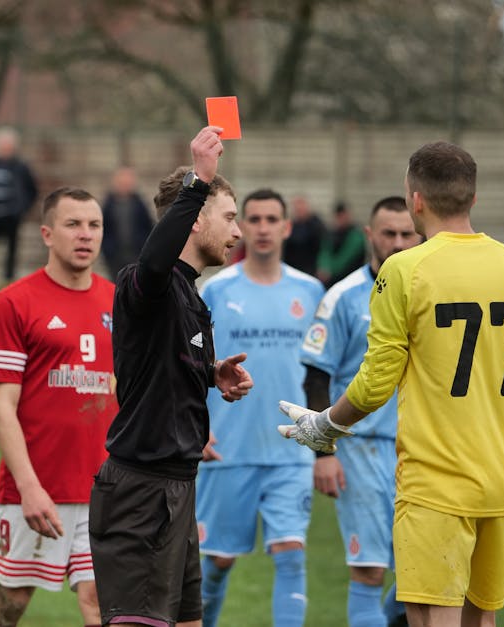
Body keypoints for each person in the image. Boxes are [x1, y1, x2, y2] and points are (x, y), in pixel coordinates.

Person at [277, 141, 504, 627]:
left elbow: (374, 384)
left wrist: (323, 426)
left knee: (433, 618)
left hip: (436, 482)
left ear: (414, 201)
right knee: (482, 618)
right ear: (474, 199)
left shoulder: (404, 269)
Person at [89, 126, 254, 627]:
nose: (238, 231)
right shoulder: (147, 284)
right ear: (196, 218)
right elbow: (154, 262)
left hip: (179, 490)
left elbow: (154, 366)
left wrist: (208, 375)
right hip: (141, 495)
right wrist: (198, 179)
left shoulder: (190, 296)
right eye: (229, 217)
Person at [0, 186, 117, 627]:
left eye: (94, 225)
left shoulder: (119, 301)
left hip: (104, 489)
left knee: (100, 601)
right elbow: (1, 408)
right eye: (73, 224)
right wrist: (30, 486)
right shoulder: (14, 303)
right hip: (33, 489)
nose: (85, 235)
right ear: (47, 234)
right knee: (10, 604)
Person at [196, 188, 325, 627]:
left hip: (291, 449)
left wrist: (325, 448)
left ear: (287, 227)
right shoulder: (216, 290)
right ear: (242, 227)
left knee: (291, 552)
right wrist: (198, 428)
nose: (264, 228)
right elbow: (193, 364)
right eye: (255, 219)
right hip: (227, 449)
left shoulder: (310, 292)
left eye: (273, 219)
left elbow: (320, 373)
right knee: (216, 563)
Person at [300, 196, 422, 627]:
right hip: (362, 449)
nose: (398, 242)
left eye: (407, 233)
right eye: (388, 233)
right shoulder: (343, 297)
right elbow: (317, 376)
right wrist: (324, 453)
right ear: (370, 236)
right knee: (370, 570)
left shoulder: (433, 295)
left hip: (425, 450)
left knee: (421, 577)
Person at [0, 127, 39, 287]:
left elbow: (33, 190)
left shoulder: (21, 167)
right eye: (1, 146)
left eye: (7, 146)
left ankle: (8, 280)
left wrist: (22, 209)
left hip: (12, 217)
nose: (4, 149)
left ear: (13, 148)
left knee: (11, 251)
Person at [101, 165, 154, 280]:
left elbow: (149, 227)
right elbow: (103, 229)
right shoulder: (108, 205)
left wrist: (144, 248)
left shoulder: (140, 204)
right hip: (115, 256)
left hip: (137, 255)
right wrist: (108, 249)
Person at [317, 201, 366, 287]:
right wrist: (323, 267)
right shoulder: (331, 233)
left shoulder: (356, 235)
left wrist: (329, 271)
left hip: (351, 280)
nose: (341, 219)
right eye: (339, 216)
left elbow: (345, 259)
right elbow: (324, 252)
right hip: (333, 281)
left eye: (343, 215)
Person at [283, 195, 325, 277]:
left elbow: (324, 248)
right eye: (297, 208)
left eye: (301, 207)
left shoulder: (316, 226)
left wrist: (322, 266)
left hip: (311, 269)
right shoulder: (291, 226)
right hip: (293, 268)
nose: (299, 210)